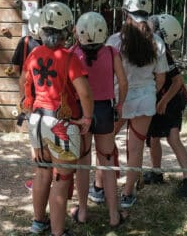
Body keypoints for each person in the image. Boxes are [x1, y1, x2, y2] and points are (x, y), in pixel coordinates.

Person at [22, 2, 94, 236]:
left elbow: (24, 84)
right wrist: (87, 117)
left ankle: (38, 222)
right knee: (61, 179)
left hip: (36, 120)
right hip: (60, 124)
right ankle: (57, 232)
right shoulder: (69, 58)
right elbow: (84, 92)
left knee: (42, 173)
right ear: (66, 30)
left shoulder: (33, 54)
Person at [103, 0, 168, 209]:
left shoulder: (114, 41)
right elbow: (161, 78)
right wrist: (150, 93)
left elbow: (106, 74)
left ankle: (99, 186)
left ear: (125, 13)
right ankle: (128, 193)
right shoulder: (157, 42)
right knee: (136, 147)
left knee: (105, 142)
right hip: (145, 99)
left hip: (119, 99)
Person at [70, 12, 128, 227]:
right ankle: (114, 215)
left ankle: (83, 211)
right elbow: (123, 82)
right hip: (105, 110)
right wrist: (120, 105)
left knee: (82, 163)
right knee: (107, 163)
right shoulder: (112, 52)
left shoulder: (72, 53)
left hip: (80, 113)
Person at [144, 13, 187, 197]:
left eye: (152, 28)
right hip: (159, 100)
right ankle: (156, 172)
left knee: (172, 137)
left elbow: (177, 82)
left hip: (171, 101)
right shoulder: (155, 50)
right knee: (153, 137)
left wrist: (163, 101)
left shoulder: (164, 54)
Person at [10, 8, 42, 191]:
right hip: (50, 97)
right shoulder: (52, 43)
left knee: (35, 138)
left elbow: (15, 68)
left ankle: (39, 177)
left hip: (30, 96)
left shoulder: (25, 42)